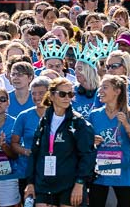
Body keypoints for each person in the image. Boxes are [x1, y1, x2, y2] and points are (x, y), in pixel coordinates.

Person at [23, 78, 96, 207]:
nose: (67, 98)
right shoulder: (44, 121)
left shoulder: (78, 122)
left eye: (70, 94)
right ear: (51, 96)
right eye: (62, 94)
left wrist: (80, 183)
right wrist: (30, 182)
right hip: (44, 183)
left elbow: (87, 155)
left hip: (69, 184)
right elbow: (35, 153)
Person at [88, 74, 130, 207]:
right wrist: (92, 140)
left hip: (122, 171)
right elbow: (86, 143)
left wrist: (127, 126)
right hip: (99, 172)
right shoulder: (94, 115)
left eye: (105, 87)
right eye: (100, 87)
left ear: (117, 91)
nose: (100, 91)